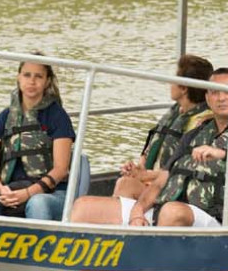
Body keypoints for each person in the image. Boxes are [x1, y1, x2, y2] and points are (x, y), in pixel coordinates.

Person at [122, 68, 228, 227]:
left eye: (227, 92)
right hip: (170, 208)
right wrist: (137, 213)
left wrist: (224, 153)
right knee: (107, 201)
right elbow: (160, 182)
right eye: (215, 92)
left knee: (172, 211)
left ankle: (154, 248)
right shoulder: (194, 135)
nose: (221, 98)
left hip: (215, 221)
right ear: (207, 98)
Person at [68, 55, 213, 225]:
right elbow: (152, 149)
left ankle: (126, 227)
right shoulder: (176, 114)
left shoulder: (201, 123)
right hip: (152, 181)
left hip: (172, 187)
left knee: (124, 184)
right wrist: (137, 169)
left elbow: (182, 170)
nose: (170, 82)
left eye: (174, 77)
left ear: (184, 88)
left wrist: (144, 175)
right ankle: (124, 227)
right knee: (126, 182)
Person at [0, 56, 76, 220]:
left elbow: (61, 169)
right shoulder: (4, 118)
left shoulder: (58, 117)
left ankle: (40, 244)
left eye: (38, 76)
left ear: (47, 81)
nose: (32, 81)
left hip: (51, 194)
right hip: (10, 191)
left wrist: (28, 193)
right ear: (18, 77)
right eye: (27, 75)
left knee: (37, 203)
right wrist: (2, 190)